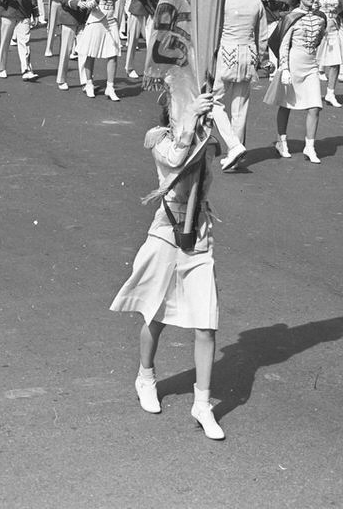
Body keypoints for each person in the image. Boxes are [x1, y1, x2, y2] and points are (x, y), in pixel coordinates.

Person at [109, 89, 224, 440]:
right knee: (156, 315)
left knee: (206, 323)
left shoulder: (204, 139)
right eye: (180, 108)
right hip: (166, 235)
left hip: (199, 238)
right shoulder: (161, 142)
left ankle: (202, 404)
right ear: (171, 114)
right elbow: (175, 161)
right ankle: (145, 376)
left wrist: (211, 118)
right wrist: (191, 122)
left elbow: (219, 158)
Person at [209, 0, 268, 170]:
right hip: (248, 53)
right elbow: (262, 35)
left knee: (214, 103)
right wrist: (261, 58)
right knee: (240, 107)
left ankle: (233, 145)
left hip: (226, 53)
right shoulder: (255, 0)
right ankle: (236, 155)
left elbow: (213, 31)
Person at [264, 0, 326, 162]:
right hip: (293, 65)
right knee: (286, 104)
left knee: (315, 106)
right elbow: (283, 44)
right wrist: (284, 68)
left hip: (310, 66)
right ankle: (281, 140)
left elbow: (319, 39)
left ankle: (310, 146)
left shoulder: (320, 18)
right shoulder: (291, 17)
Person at [76, 0, 124, 100]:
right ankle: (89, 83)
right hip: (97, 20)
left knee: (113, 54)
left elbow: (117, 0)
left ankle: (110, 87)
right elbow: (89, 4)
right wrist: (94, 1)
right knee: (91, 53)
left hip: (111, 21)